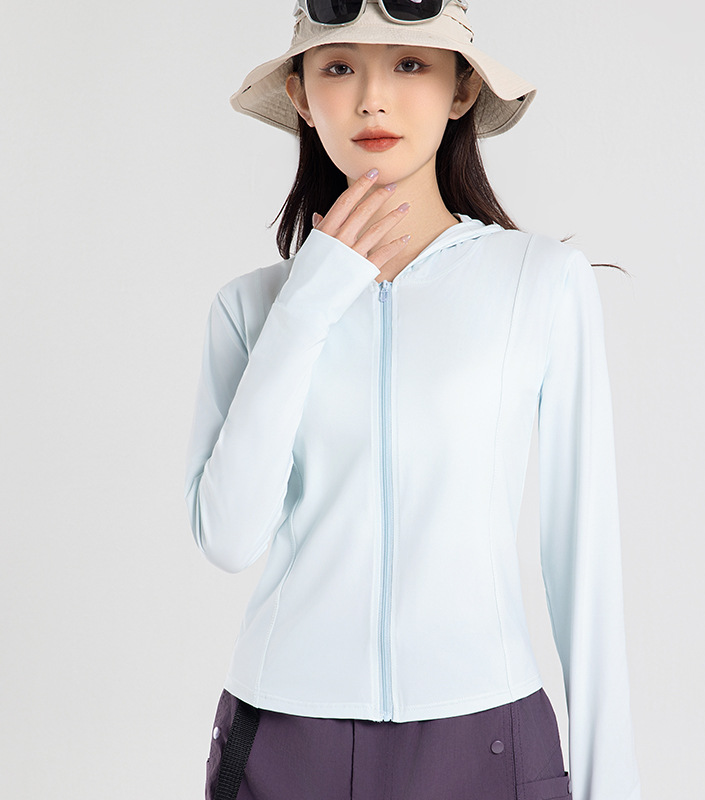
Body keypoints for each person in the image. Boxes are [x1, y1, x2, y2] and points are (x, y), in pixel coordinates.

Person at [183, 2, 642, 799]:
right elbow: (228, 536)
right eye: (338, 68)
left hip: (485, 733)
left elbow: (585, 560)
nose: (372, 99)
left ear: (461, 90)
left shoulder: (539, 283)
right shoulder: (253, 308)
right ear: (300, 96)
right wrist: (310, 300)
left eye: (408, 64)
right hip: (284, 738)